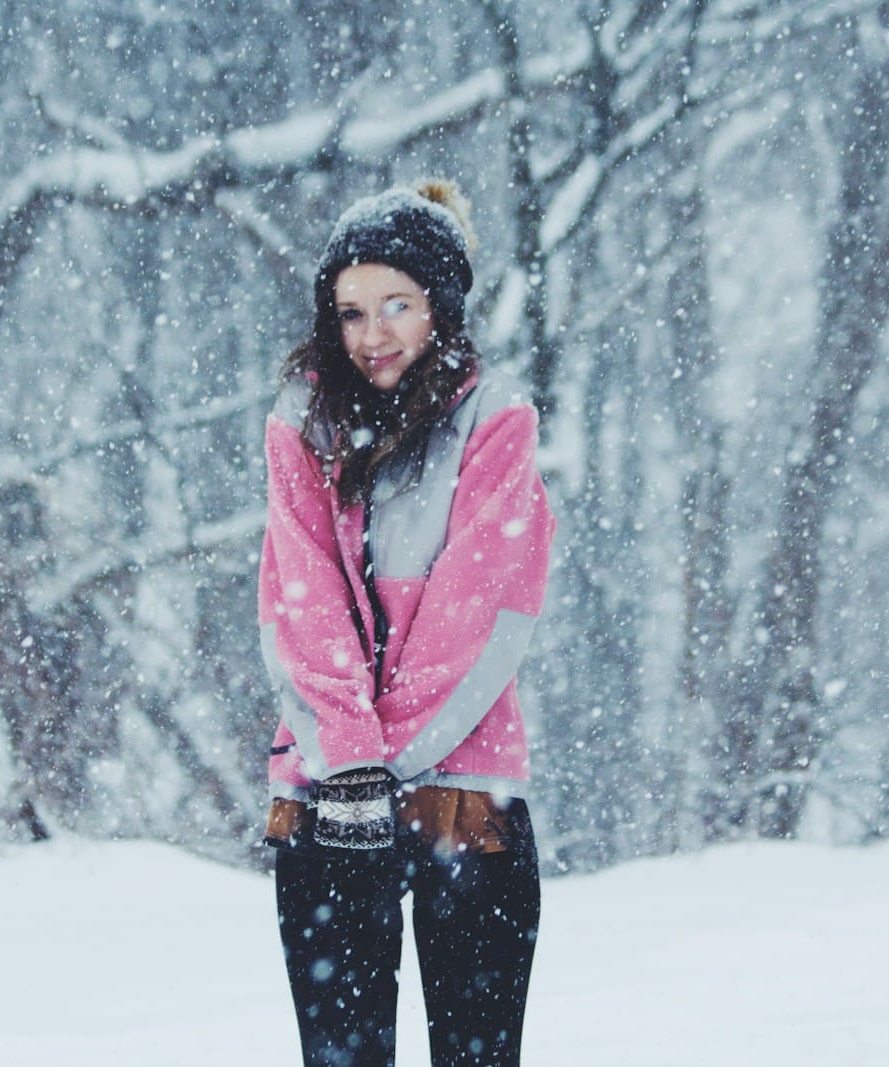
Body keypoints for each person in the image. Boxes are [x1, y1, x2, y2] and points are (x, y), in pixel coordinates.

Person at [258, 179, 556, 1067]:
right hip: (324, 788)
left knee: (476, 1053)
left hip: (463, 791)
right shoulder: (299, 426)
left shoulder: (496, 424)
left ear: (442, 305)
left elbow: (482, 611)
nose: (373, 332)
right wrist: (347, 762)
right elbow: (299, 597)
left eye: (397, 304)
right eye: (351, 311)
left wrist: (387, 759)